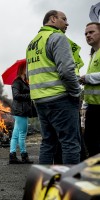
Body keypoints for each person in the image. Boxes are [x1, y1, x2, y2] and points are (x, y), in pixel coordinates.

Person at [26, 10, 82, 164]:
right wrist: (76, 92)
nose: (67, 23)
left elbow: (29, 73)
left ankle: (43, 184)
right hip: (60, 98)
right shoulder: (57, 37)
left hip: (40, 100)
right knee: (70, 143)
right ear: (53, 19)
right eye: (64, 19)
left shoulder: (32, 44)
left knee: (48, 142)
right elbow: (66, 70)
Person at [79, 22, 100, 157]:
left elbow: (91, 79)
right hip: (93, 108)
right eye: (86, 33)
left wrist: (87, 78)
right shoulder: (93, 55)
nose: (87, 35)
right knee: (91, 143)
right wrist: (85, 106)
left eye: (91, 32)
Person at [9, 62, 34, 164]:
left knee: (15, 135)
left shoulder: (24, 82)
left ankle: (12, 156)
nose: (28, 69)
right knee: (22, 134)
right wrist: (30, 95)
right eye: (27, 67)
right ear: (23, 69)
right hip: (20, 111)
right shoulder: (17, 82)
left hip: (22, 110)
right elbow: (16, 96)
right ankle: (24, 156)